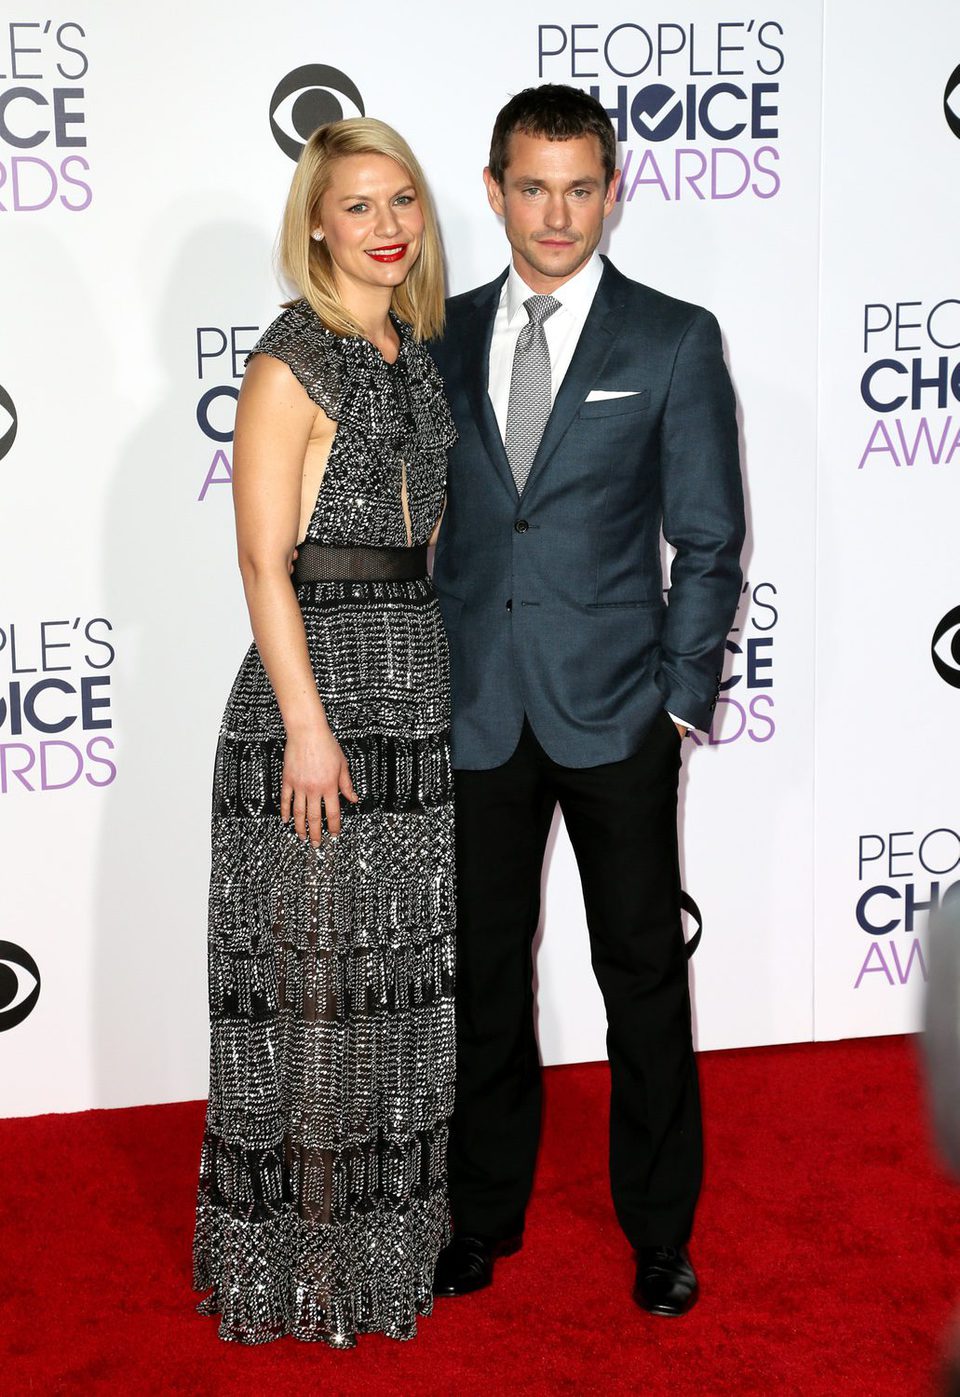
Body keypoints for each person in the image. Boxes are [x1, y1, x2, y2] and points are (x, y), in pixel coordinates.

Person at [430, 84, 745, 1317]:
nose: (556, 213)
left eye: (580, 186)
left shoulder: (672, 337)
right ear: (496, 187)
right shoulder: (438, 336)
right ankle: (483, 1215)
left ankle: (660, 1232)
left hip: (617, 713)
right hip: (476, 712)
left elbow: (709, 538)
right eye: (532, 185)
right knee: (486, 977)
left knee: (642, 978)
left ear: (613, 190)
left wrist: (676, 697)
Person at [193, 117, 457, 1347]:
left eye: (401, 199)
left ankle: (384, 1252)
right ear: (316, 223)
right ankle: (297, 1270)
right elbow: (261, 557)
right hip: (315, 706)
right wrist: (307, 724)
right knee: (310, 1002)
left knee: (395, 993)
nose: (387, 225)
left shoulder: (413, 351)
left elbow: (426, 540)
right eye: (359, 206)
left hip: (410, 692)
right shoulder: (289, 360)